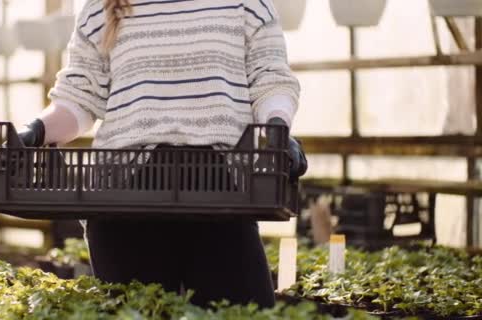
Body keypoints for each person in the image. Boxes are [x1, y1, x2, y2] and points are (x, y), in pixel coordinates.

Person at [17, 0, 307, 308]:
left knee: (245, 312)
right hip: (124, 199)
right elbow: (79, 98)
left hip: (221, 194)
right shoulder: (99, 9)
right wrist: (34, 130)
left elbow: (270, 80)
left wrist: (277, 127)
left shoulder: (246, 5)